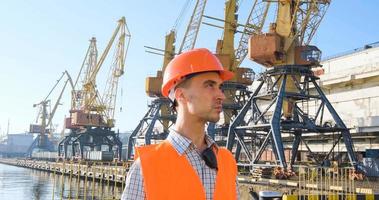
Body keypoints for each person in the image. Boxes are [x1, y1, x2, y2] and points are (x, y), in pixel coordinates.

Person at [121, 48, 239, 200]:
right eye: (210, 85)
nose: (221, 95)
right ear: (181, 95)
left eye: (220, 87)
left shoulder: (227, 162)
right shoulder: (145, 167)